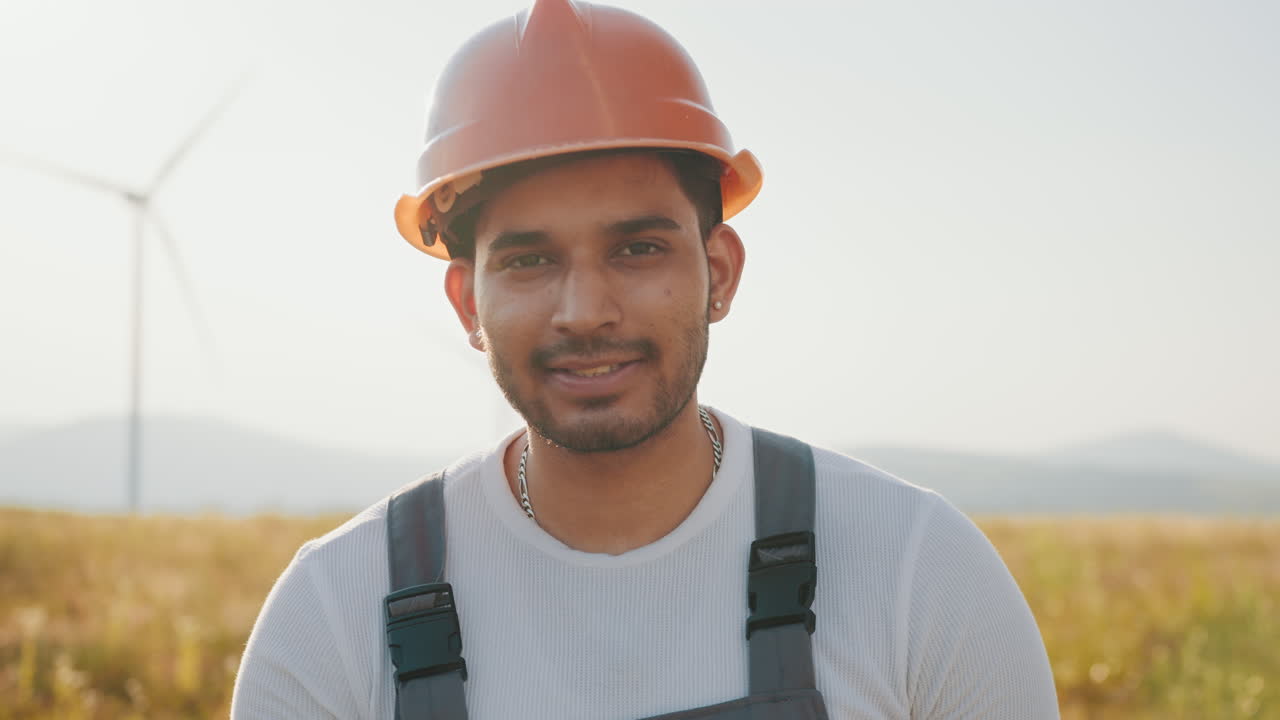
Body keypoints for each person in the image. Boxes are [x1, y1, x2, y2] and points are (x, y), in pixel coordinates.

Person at [231, 1, 1060, 718]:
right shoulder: (335, 615)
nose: (585, 310)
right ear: (466, 304)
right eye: (529, 260)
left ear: (720, 273)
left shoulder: (919, 573)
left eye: (636, 248)